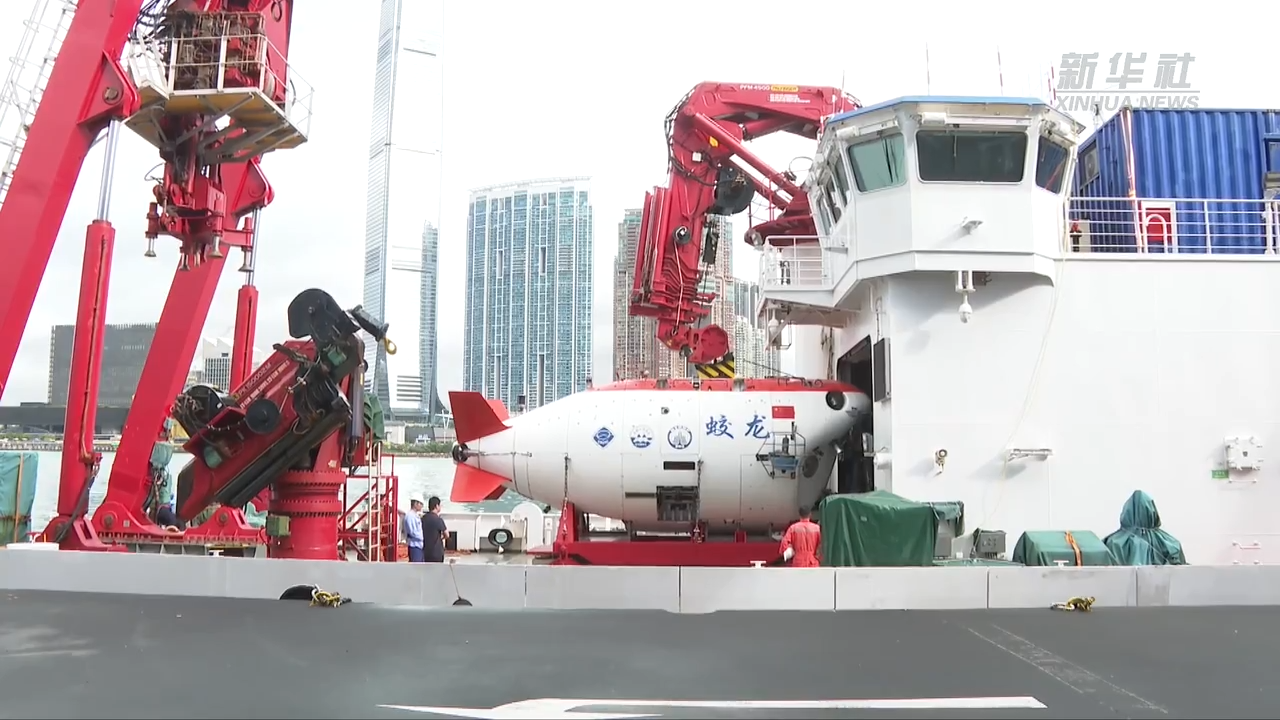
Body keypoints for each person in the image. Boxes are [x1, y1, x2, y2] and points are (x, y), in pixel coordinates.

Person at [421, 496, 448, 563]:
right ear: (436, 506)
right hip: (437, 552)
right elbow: (447, 535)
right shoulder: (438, 520)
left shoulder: (423, 518)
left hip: (426, 552)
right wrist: (442, 538)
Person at [403, 495, 425, 563]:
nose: (421, 506)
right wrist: (423, 537)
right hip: (414, 545)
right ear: (415, 503)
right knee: (416, 567)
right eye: (420, 504)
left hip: (418, 546)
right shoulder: (410, 516)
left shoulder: (414, 515)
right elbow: (413, 532)